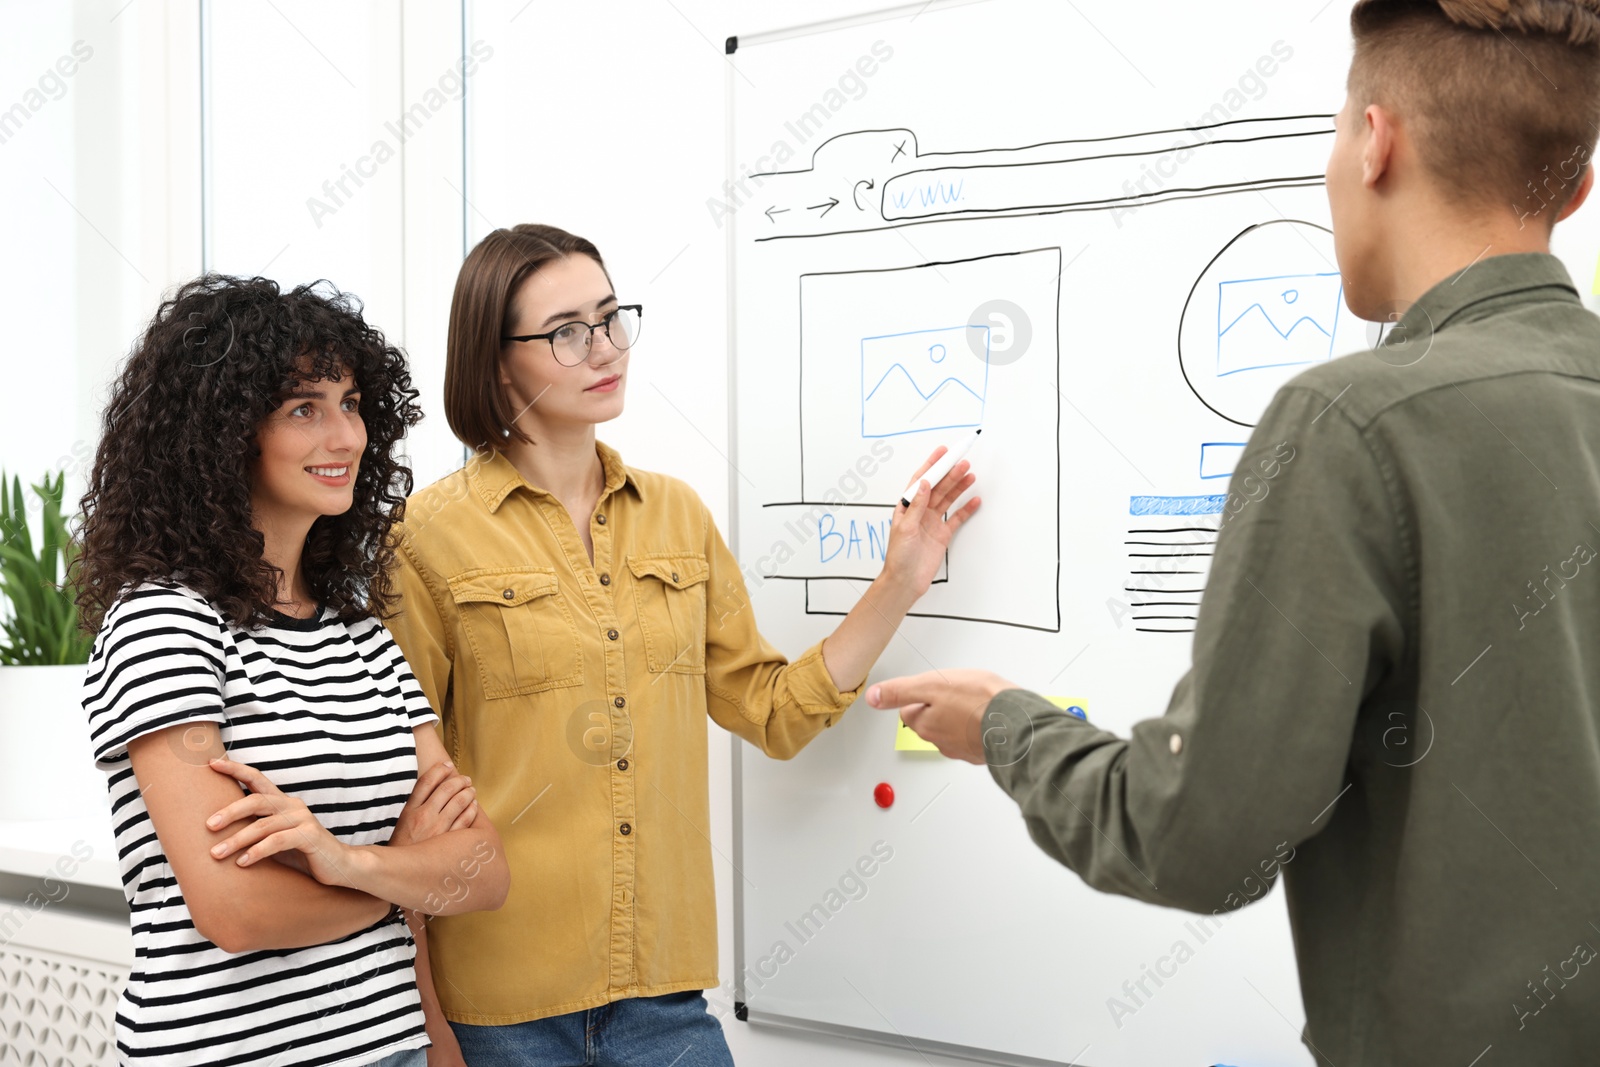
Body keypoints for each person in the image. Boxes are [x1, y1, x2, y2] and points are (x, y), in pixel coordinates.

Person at [869, 0, 1600, 1062]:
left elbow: (1200, 839)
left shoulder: (1351, 422)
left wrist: (1006, 727)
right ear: (1576, 185)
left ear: (1374, 140)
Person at [382, 223, 979, 1065]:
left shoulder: (676, 515)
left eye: (610, 316)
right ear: (494, 361)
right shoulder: (425, 538)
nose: (605, 348)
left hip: (662, 997)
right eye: (566, 333)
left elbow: (773, 711)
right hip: (499, 1007)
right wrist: (430, 1024)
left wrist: (900, 581)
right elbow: (405, 794)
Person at [75, 275, 509, 1067]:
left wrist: (342, 860)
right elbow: (236, 908)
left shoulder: (360, 635)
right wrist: (401, 875)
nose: (344, 437)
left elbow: (481, 871)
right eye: (304, 408)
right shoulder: (164, 625)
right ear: (225, 431)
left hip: (395, 1046)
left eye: (350, 403)